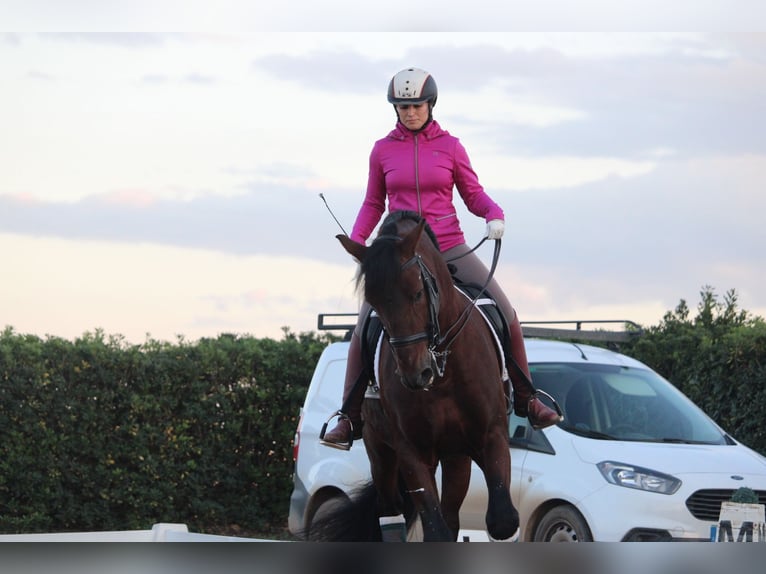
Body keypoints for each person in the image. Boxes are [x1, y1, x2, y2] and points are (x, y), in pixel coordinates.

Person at [321, 67, 562, 450]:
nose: (409, 112)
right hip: (399, 252)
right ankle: (349, 418)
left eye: (415, 105)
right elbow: (372, 202)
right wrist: (359, 242)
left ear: (430, 104)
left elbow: (473, 193)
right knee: (364, 325)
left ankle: (527, 398)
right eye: (402, 106)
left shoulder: (451, 147)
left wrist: (493, 214)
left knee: (505, 310)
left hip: (448, 245)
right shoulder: (382, 150)